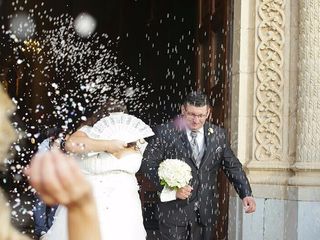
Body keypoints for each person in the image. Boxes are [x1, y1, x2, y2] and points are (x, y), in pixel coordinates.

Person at [141, 91, 256, 240]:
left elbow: (232, 166)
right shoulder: (165, 132)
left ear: (208, 112)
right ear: (183, 110)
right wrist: (171, 190)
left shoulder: (218, 135)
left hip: (205, 212)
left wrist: (246, 193)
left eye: (201, 115)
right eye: (191, 114)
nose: (196, 120)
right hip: (173, 212)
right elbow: (148, 164)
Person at [0, 84, 101, 240]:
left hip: (58, 178)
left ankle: (49, 228)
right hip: (44, 175)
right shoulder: (46, 144)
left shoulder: (67, 146)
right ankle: (41, 230)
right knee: (40, 205)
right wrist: (82, 211)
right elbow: (40, 157)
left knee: (54, 206)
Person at [44, 100, 148, 240]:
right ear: (103, 116)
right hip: (92, 195)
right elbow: (71, 145)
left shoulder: (134, 137)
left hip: (124, 198)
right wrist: (107, 145)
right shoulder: (87, 131)